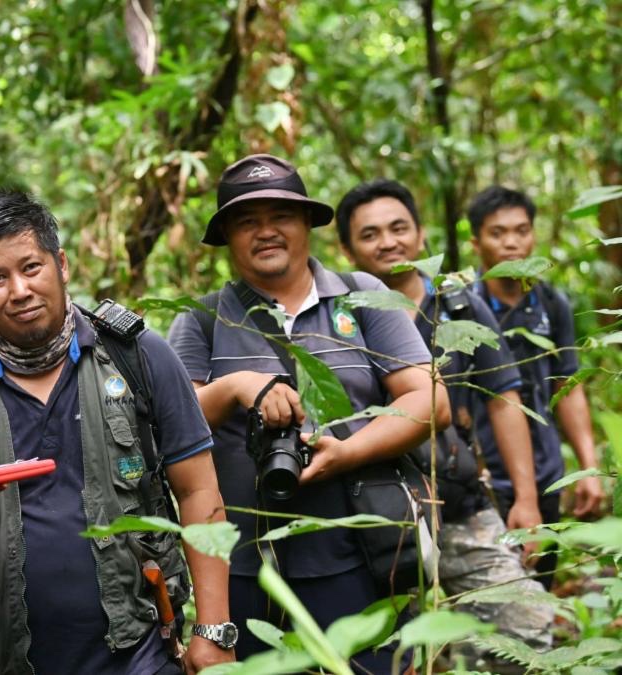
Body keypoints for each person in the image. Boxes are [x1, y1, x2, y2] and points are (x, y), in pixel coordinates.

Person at [0, 189, 234, 675]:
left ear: (61, 264)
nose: (19, 290)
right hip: (1, 660)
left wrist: (213, 630)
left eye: (31, 268)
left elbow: (199, 489)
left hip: (141, 654)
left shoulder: (139, 358)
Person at [167, 155, 450, 671]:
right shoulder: (202, 320)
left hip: (360, 556)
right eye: (247, 221)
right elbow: (173, 429)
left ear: (307, 225)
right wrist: (235, 388)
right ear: (227, 236)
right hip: (243, 569)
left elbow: (430, 401)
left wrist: (346, 453)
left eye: (282, 216)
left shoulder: (364, 297)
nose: (266, 232)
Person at [337, 178, 553, 671]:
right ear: (346, 247)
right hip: (374, 517)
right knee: (396, 655)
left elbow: (503, 398)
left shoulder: (457, 304)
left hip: (458, 502)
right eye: (369, 235)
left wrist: (525, 499)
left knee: (526, 624)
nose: (388, 242)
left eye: (399, 228)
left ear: (420, 234)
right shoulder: (336, 314)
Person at [468, 185, 606, 586]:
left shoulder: (551, 303)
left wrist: (588, 469)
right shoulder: (462, 304)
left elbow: (568, 382)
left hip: (545, 471)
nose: (512, 243)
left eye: (522, 230)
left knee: (539, 586)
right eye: (498, 233)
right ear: (476, 242)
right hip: (485, 476)